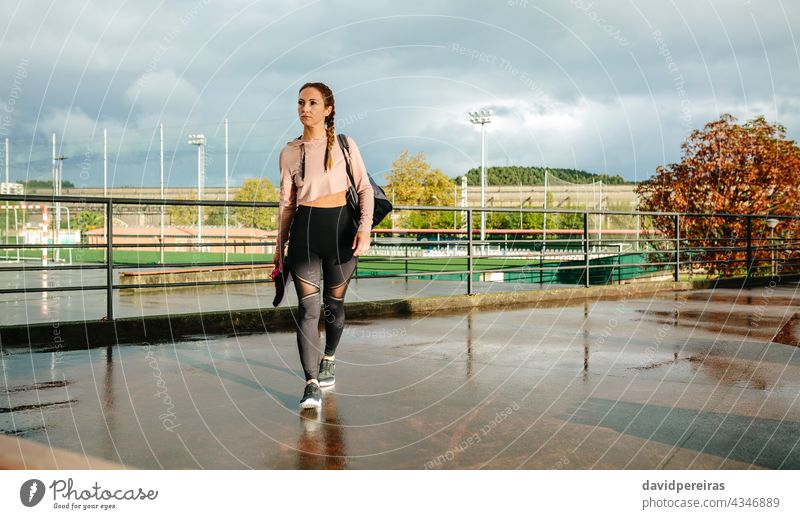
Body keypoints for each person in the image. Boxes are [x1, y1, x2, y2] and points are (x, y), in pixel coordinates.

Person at [274, 82, 374, 409]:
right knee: (308, 308)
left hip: (342, 232)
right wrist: (278, 250)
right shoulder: (290, 152)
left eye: (313, 103)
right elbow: (287, 205)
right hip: (304, 233)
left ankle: (328, 357)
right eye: (301, 102)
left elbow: (364, 190)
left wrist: (365, 229)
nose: (305, 108)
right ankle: (310, 383)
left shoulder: (346, 145)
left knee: (334, 307)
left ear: (327, 110)